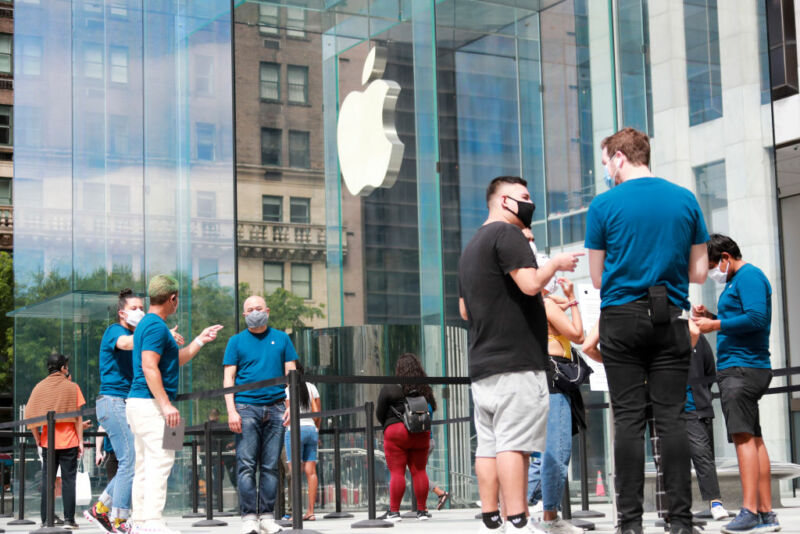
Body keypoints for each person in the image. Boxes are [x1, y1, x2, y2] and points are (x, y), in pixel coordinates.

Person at [585, 127, 709, 534]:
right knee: (671, 418)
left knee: (628, 419)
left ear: (619, 157)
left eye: (606, 162)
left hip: (621, 317)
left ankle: (631, 524)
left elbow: (599, 278)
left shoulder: (604, 206)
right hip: (670, 314)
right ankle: (681, 522)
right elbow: (699, 271)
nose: (606, 170)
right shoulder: (685, 199)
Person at [458, 175, 581, 533]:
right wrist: (555, 264)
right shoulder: (507, 235)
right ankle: (518, 520)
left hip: (482, 364)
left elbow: (465, 311)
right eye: (524, 197)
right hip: (517, 361)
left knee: (489, 445)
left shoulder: (470, 249)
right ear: (505, 201)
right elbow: (529, 284)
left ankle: (491, 517)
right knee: (516, 445)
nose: (531, 203)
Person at [692, 234, 779, 533]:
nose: (713, 272)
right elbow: (740, 320)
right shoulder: (736, 282)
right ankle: (766, 513)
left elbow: (756, 318)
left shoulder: (749, 277)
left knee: (743, 439)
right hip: (743, 368)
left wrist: (714, 324)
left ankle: (750, 511)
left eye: (714, 264)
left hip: (742, 370)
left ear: (727, 258)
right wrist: (712, 317)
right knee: (753, 439)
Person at [126, 275, 222, 534]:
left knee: (145, 463)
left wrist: (200, 339)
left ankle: (140, 521)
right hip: (151, 405)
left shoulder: (148, 324)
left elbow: (173, 360)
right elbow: (149, 366)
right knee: (162, 460)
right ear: (172, 298)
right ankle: (153, 522)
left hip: (139, 404)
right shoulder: (156, 327)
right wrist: (167, 405)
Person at [86, 289, 163, 534]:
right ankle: (119, 520)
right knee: (129, 460)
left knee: (134, 461)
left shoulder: (136, 338)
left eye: (142, 307)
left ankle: (100, 508)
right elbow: (127, 344)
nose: (140, 312)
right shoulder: (115, 331)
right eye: (134, 308)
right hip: (113, 402)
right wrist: (155, 334)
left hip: (128, 403)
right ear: (122, 313)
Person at [223, 295, 298, 534]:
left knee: (270, 467)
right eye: (250, 309)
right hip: (245, 407)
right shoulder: (235, 341)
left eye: (258, 308)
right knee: (246, 465)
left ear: (267, 310)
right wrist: (231, 410)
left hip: (276, 407)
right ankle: (249, 517)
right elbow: (228, 378)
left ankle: (267, 516)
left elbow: (292, 375)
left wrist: (290, 406)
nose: (255, 312)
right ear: (244, 315)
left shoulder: (282, 338)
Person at [529, 274, 586, 534]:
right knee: (557, 452)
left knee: (538, 455)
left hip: (536, 380)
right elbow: (578, 335)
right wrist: (573, 299)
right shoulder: (547, 306)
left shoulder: (530, 305)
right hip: (554, 381)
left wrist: (557, 301)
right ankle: (549, 516)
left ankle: (519, 512)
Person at [26, 353, 86, 529]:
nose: (68, 369)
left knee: (48, 482)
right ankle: (69, 519)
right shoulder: (72, 387)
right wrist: (81, 441)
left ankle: (46, 520)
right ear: (62, 369)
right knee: (69, 481)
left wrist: (38, 438)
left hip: (47, 442)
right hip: (69, 441)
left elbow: (29, 416)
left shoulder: (39, 387)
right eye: (66, 366)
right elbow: (78, 418)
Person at [376, 353, 437, 522]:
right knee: (419, 471)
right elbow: (433, 408)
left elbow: (379, 413)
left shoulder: (390, 388)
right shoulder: (425, 389)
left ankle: (394, 512)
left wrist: (388, 425)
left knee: (397, 472)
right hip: (421, 432)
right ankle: (422, 512)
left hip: (396, 432)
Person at [684, 333, 729, 521]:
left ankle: (715, 502)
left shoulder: (695, 336)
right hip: (667, 409)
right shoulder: (655, 336)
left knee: (702, 455)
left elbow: (709, 369)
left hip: (694, 408)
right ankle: (676, 508)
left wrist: (701, 395)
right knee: (669, 460)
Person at [283, 362, 321, 521]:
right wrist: (316, 430)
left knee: (295, 473)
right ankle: (310, 511)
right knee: (311, 472)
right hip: (311, 430)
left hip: (295, 431)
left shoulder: (287, 390)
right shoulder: (312, 387)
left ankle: (296, 513)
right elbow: (318, 411)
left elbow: (287, 414)